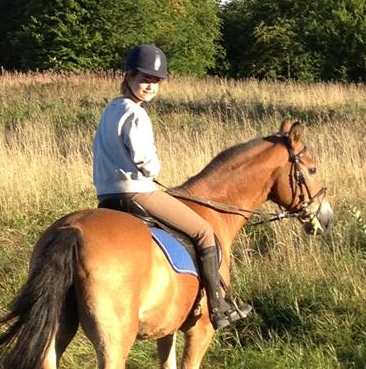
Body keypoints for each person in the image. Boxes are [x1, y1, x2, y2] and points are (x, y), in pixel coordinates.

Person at [92, 44, 253, 329]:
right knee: (204, 232)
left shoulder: (110, 109)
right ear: (128, 76)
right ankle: (218, 308)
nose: (150, 85)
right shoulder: (136, 114)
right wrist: (154, 169)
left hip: (106, 197)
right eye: (144, 78)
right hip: (137, 193)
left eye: (156, 80)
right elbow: (145, 161)